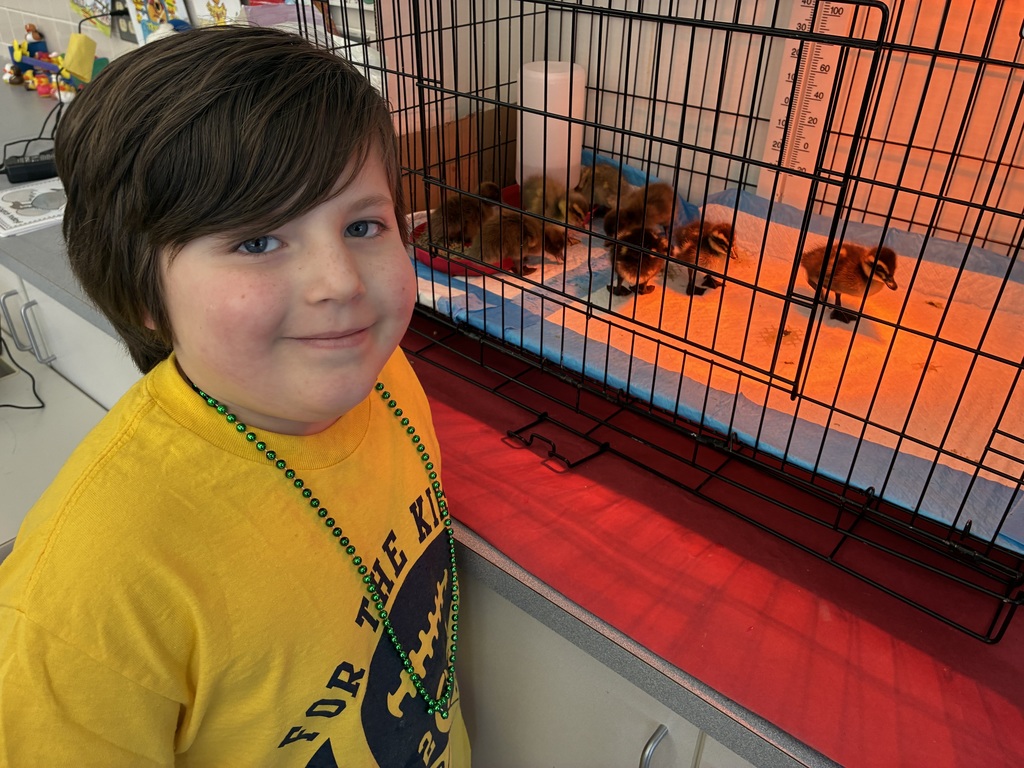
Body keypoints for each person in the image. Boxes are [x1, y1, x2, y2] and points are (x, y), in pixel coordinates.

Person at [0, 25, 470, 766]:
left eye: (362, 224)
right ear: (141, 290)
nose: (341, 283)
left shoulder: (386, 376)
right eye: (257, 240)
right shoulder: (90, 592)